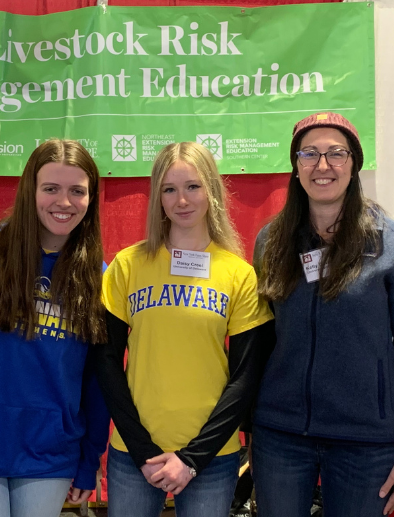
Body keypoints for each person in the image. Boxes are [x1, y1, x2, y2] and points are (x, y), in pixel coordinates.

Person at [251, 112, 394, 517]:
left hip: (367, 443)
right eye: (309, 154)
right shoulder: (271, 242)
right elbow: (261, 340)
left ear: (354, 163)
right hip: (281, 435)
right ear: (295, 166)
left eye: (336, 153)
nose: (323, 165)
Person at [96, 142, 275, 517]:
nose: (182, 200)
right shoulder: (127, 266)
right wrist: (143, 450)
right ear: (157, 196)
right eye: (169, 189)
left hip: (212, 457)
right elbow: (106, 361)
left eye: (193, 186)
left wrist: (192, 459)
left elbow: (246, 377)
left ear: (212, 189)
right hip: (134, 453)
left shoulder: (239, 274)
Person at [0, 139, 109, 517]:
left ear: (91, 198)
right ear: (30, 191)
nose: (63, 202)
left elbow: (98, 382)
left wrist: (88, 462)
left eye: (77, 191)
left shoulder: (99, 279)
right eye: (51, 188)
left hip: (49, 451)